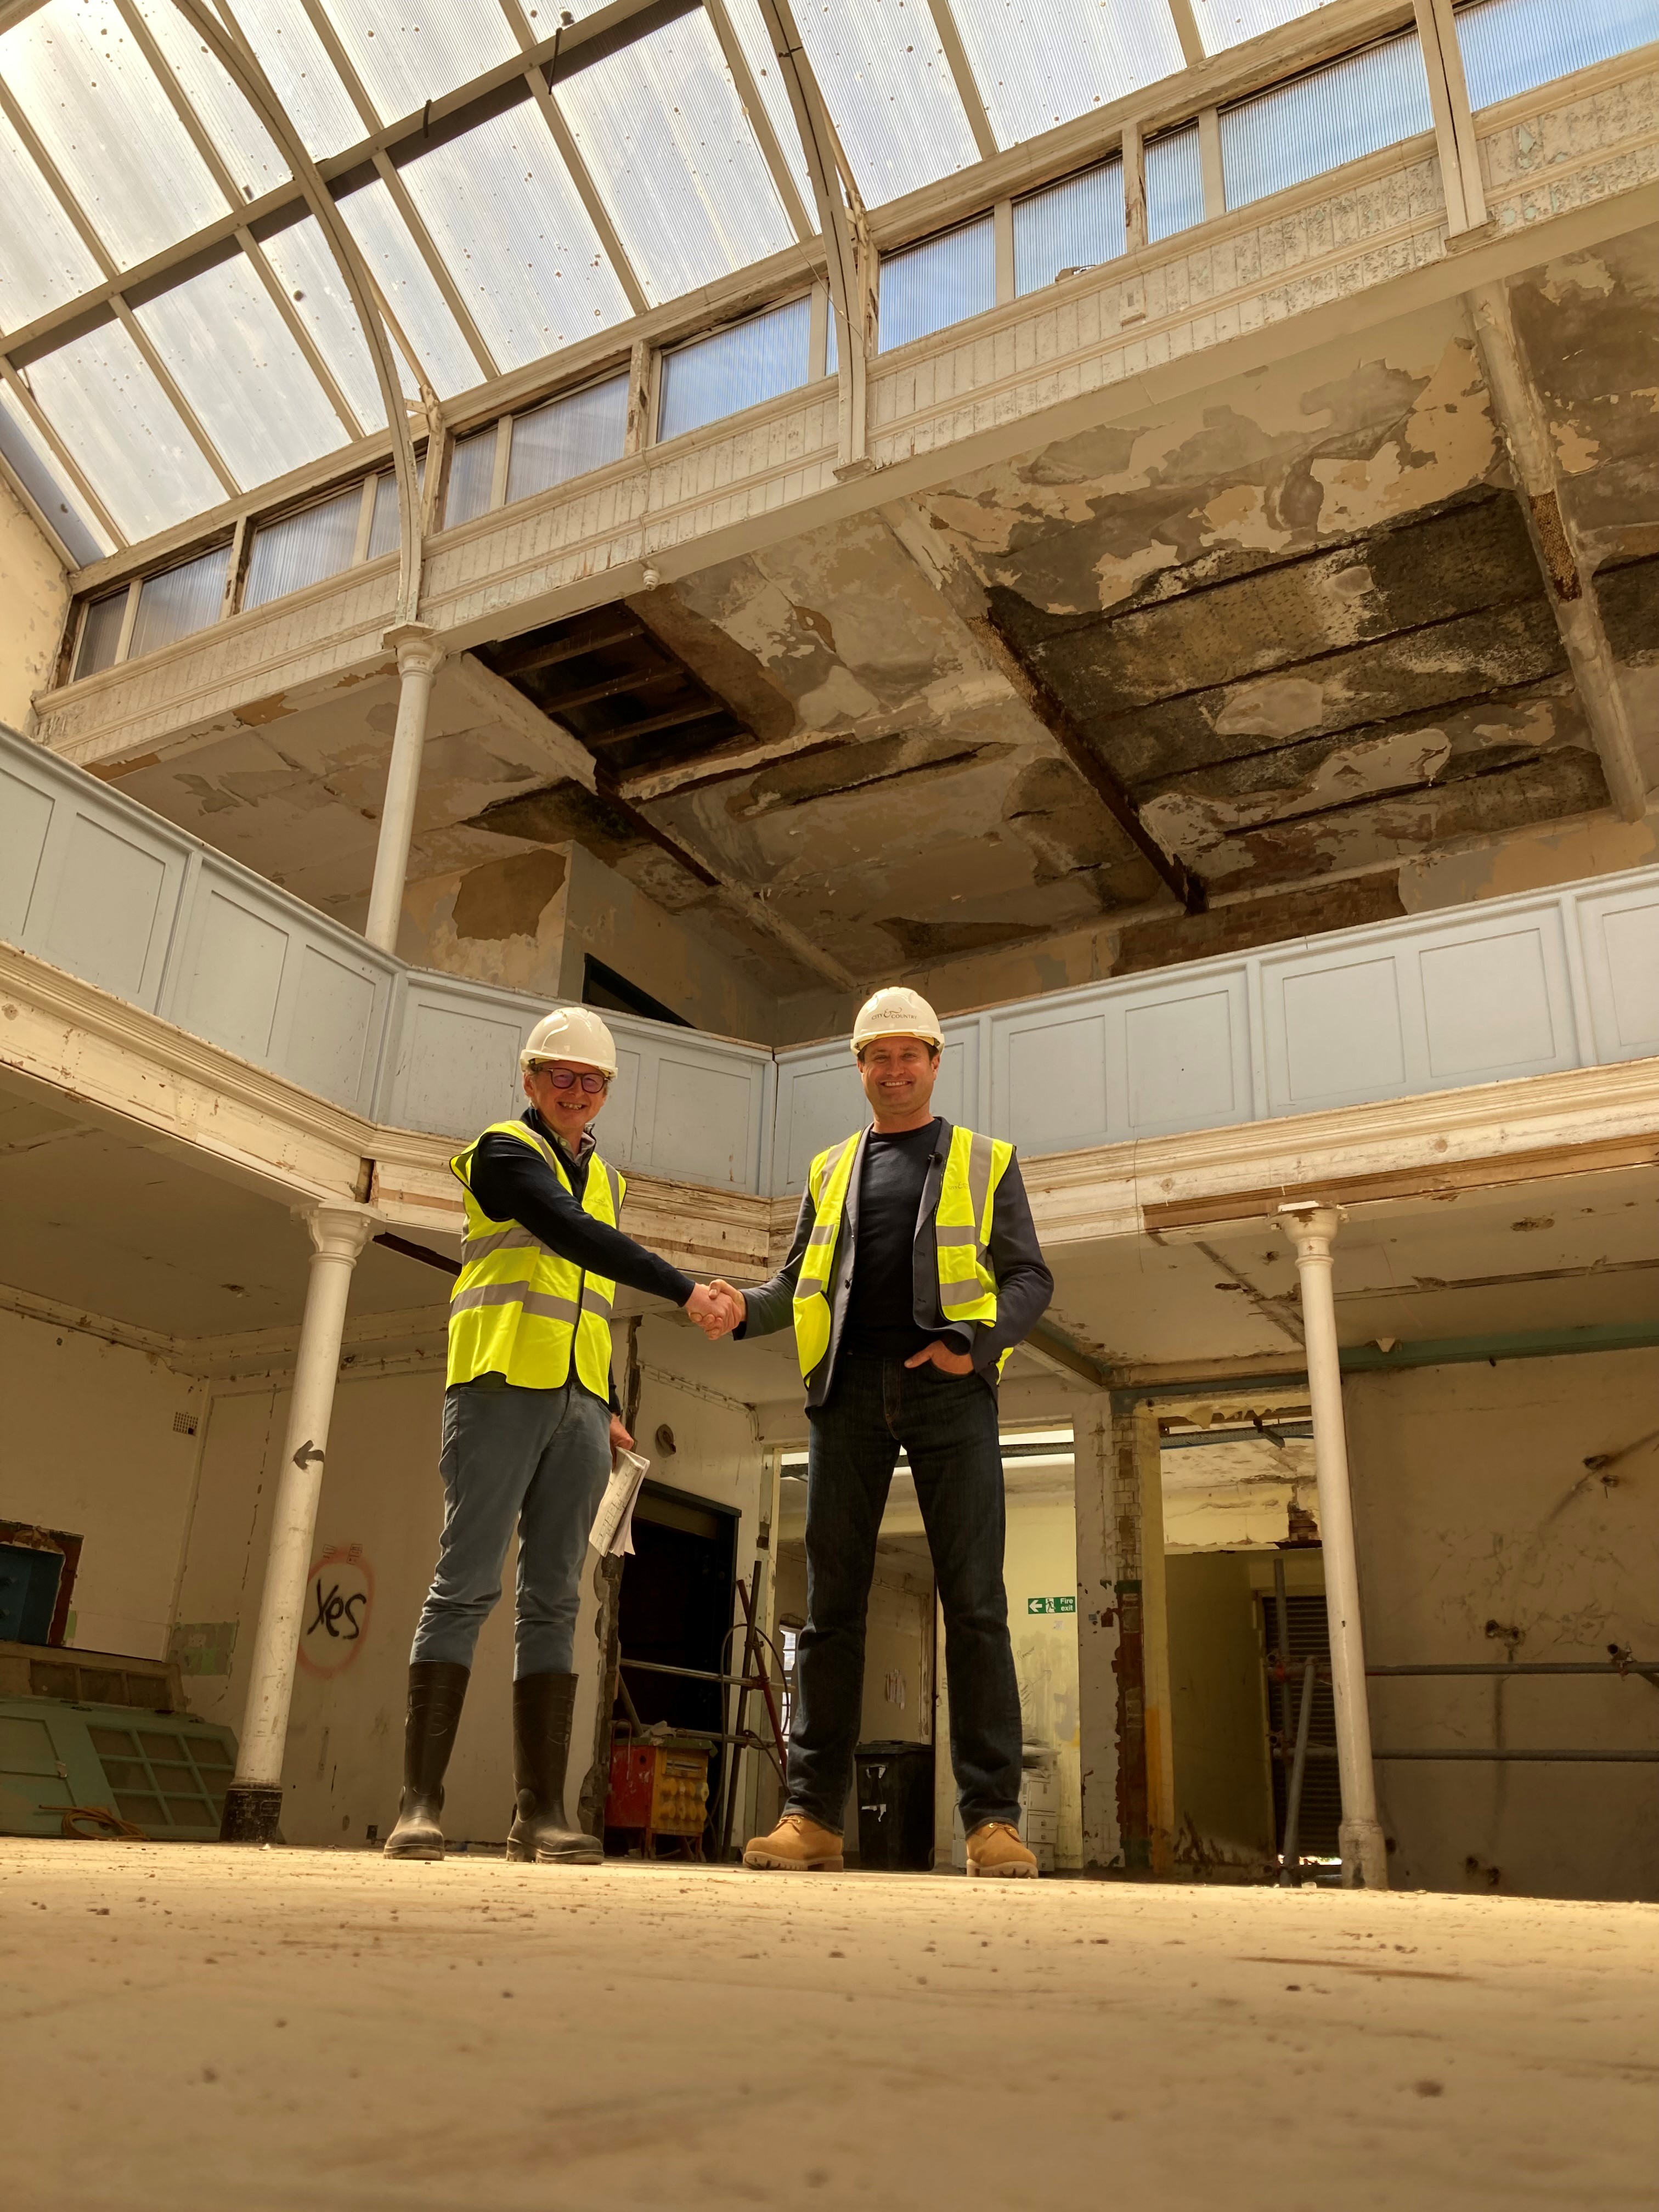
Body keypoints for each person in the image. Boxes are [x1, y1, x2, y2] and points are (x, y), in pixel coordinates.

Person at [697, 987, 1053, 1878]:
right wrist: (742, 1308)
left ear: (934, 1063)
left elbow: (1028, 1278)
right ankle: (812, 1817)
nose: (894, 1070)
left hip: (949, 1393)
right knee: (829, 1612)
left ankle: (992, 1821)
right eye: (878, 1057)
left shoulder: (986, 1159)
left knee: (975, 1603)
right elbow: (798, 1283)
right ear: (859, 1069)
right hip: (847, 1392)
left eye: (908, 1056)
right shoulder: (830, 1169)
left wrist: (973, 1348)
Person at [383, 1005, 736, 1864]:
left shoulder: (607, 1178)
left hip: (578, 1404)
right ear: (531, 1080)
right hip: (498, 1384)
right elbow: (571, 1237)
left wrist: (605, 1400)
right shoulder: (504, 1153)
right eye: (561, 1077)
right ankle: (418, 1805)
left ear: (605, 1092)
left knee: (556, 1600)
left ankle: (539, 1813)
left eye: (591, 1082)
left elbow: (590, 1297)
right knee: (465, 1586)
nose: (576, 1092)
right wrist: (688, 1290)